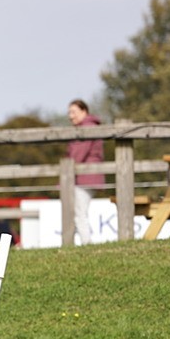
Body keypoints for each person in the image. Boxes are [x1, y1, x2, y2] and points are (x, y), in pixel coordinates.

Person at [66, 99, 104, 245]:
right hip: (87, 177)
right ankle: (84, 241)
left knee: (80, 213)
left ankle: (86, 242)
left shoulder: (87, 128)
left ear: (84, 111)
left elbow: (77, 154)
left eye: (73, 112)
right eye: (69, 112)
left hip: (85, 178)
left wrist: (65, 175)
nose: (71, 116)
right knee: (80, 212)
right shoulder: (89, 127)